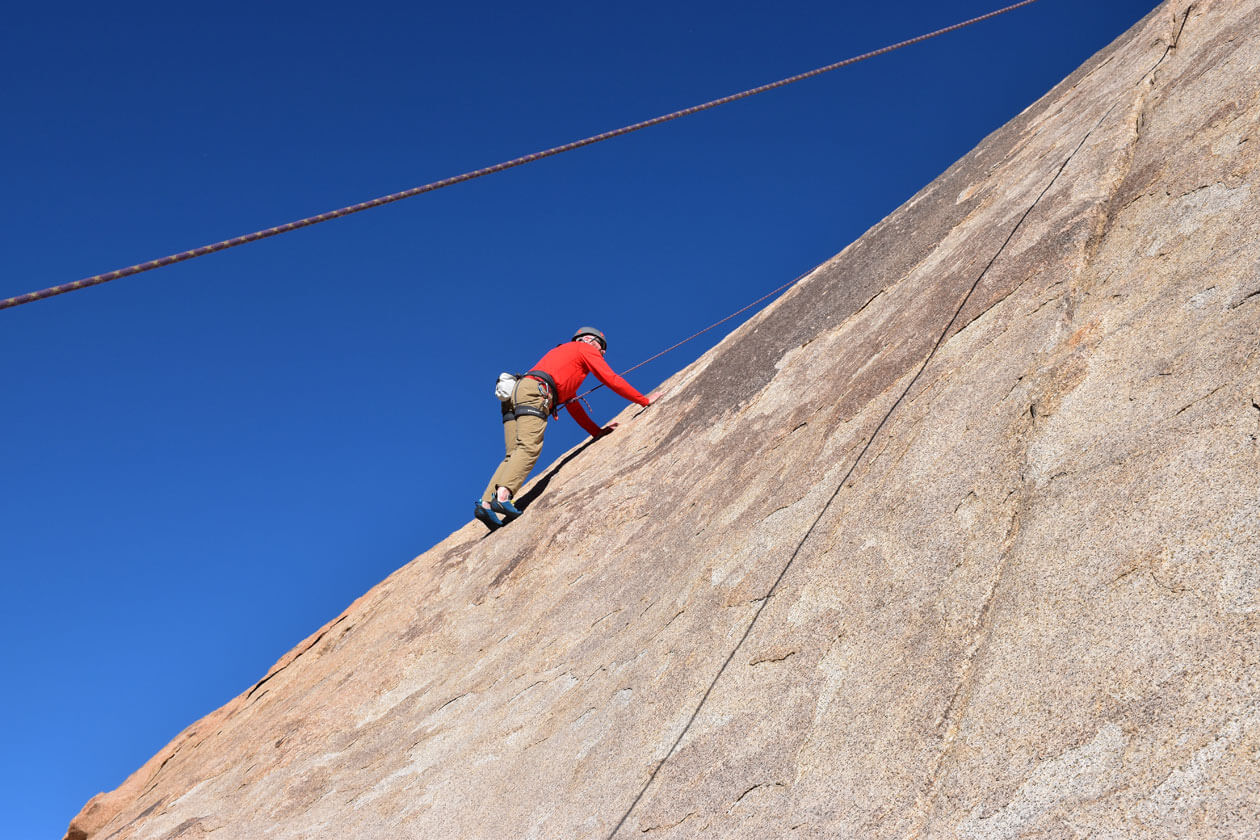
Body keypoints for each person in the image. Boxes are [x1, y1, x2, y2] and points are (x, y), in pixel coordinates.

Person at [476, 326, 657, 530]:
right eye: (601, 347)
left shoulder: (563, 358)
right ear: (588, 340)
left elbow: (573, 405)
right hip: (535, 392)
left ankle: (485, 504)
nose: (603, 353)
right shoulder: (584, 349)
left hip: (516, 394)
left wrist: (596, 432)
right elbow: (611, 379)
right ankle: (502, 497)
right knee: (529, 447)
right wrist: (644, 400)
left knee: (513, 454)